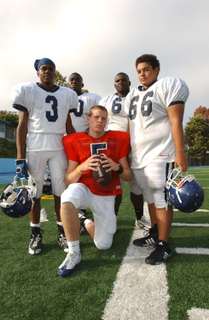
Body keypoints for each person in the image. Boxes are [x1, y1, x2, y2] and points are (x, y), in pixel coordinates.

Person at [125, 54, 189, 265]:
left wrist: (180, 152)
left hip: (160, 153)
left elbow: (175, 121)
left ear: (156, 69)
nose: (142, 74)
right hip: (139, 155)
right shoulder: (132, 94)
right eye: (139, 71)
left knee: (161, 198)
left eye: (146, 69)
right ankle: (155, 231)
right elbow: (130, 126)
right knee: (149, 196)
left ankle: (164, 244)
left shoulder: (168, 85)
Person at [11, 58, 78, 255]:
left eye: (50, 69)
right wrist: (20, 156)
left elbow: (68, 124)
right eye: (43, 69)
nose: (47, 72)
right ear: (38, 73)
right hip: (36, 146)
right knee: (35, 192)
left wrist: (76, 150)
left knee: (61, 191)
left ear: (55, 72)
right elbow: (22, 125)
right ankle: (35, 234)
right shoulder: (28, 90)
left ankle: (62, 231)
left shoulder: (67, 94)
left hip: (58, 145)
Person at [57, 105, 131, 277]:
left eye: (103, 118)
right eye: (96, 117)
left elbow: (128, 176)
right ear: (88, 119)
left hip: (106, 195)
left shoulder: (118, 139)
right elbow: (69, 180)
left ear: (107, 121)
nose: (100, 121)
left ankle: (84, 220)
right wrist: (82, 168)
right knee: (67, 197)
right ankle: (74, 252)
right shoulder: (74, 140)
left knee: (104, 245)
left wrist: (117, 167)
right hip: (84, 189)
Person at [99, 72, 150, 229]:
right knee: (114, 184)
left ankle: (139, 216)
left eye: (123, 80)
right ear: (115, 84)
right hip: (113, 147)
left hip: (135, 144)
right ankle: (112, 219)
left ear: (129, 82)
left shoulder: (138, 97)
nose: (120, 82)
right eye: (117, 81)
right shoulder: (106, 100)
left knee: (136, 183)